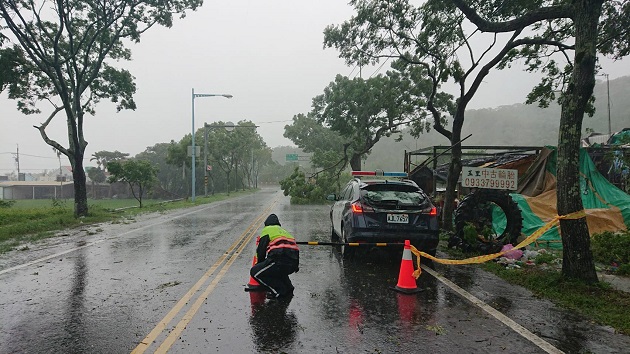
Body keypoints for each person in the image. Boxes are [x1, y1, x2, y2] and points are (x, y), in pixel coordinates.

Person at [250, 214, 299, 299]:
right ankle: (289, 288)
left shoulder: (267, 230)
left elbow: (261, 251)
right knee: (277, 270)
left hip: (278, 260)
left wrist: (259, 265)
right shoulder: (285, 232)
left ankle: (278, 292)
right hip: (293, 264)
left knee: (255, 272)